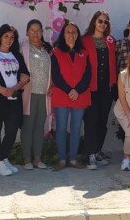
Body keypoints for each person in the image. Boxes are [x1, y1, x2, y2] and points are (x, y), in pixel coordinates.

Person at [0, 24, 30, 176]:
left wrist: (15, 87)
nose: (9, 40)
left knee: (12, 130)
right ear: (0, 37)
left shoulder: (17, 55)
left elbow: (25, 76)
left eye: (12, 37)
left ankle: (4, 158)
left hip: (13, 98)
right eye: (6, 36)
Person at [51, 21, 91, 170]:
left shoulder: (84, 53)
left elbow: (87, 75)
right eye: (68, 32)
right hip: (62, 95)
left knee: (76, 128)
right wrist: (69, 90)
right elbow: (56, 75)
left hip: (80, 95)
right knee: (61, 128)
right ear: (63, 34)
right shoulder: (56, 52)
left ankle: (73, 159)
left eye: (74, 32)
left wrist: (77, 90)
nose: (71, 34)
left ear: (77, 35)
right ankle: (62, 160)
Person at [82, 11, 117, 170]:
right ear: (94, 22)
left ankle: (97, 151)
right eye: (100, 21)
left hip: (106, 88)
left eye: (105, 22)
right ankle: (89, 154)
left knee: (102, 121)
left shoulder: (110, 40)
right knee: (91, 121)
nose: (103, 24)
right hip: (91, 88)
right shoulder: (84, 40)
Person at [20, 19, 52, 170]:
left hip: (44, 94)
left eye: (38, 30)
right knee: (28, 126)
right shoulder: (22, 48)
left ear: (42, 32)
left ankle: (37, 159)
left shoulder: (47, 49)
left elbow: (53, 70)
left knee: (40, 126)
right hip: (29, 93)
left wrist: (52, 84)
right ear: (27, 32)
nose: (35, 33)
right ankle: (27, 159)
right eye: (32, 30)